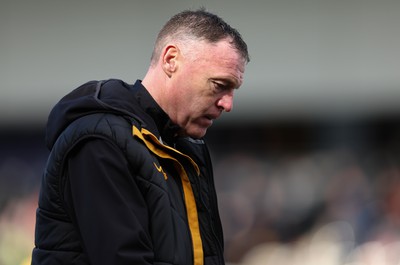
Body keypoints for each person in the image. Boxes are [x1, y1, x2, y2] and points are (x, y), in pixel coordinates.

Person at [32, 8, 249, 265]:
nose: (227, 104)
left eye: (233, 89)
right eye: (219, 85)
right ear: (171, 60)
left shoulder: (183, 148)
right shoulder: (100, 140)